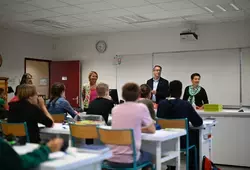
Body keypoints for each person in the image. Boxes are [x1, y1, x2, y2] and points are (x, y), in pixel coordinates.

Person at [107, 83, 155, 169]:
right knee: (151, 156)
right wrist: (136, 129)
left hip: (111, 158)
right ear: (138, 95)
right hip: (130, 159)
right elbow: (152, 129)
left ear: (123, 95)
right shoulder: (141, 107)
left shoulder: (115, 109)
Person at [157, 80, 203, 170]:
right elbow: (198, 122)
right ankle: (193, 167)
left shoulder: (161, 104)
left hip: (166, 140)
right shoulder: (185, 104)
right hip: (182, 141)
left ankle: (170, 166)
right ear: (181, 91)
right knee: (195, 136)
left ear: (169, 90)